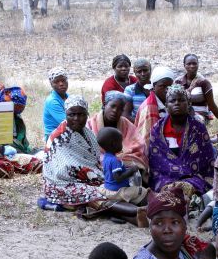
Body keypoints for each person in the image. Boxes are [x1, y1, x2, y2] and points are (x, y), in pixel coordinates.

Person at [42, 95, 147, 227]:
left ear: (87, 114)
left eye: (81, 114)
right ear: (65, 114)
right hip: (61, 183)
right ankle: (132, 213)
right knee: (96, 193)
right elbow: (64, 170)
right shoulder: (59, 137)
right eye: (71, 114)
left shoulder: (88, 133)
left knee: (113, 187)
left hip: (89, 176)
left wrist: (98, 174)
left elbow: (94, 159)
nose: (76, 118)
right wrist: (94, 175)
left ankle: (123, 214)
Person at [147, 84, 213, 199]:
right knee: (168, 189)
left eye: (181, 100)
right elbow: (156, 161)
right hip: (165, 177)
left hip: (194, 177)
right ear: (166, 105)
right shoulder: (157, 129)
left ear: (188, 104)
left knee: (186, 187)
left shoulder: (198, 128)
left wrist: (183, 177)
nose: (177, 103)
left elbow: (206, 161)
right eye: (172, 101)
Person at [86, 90, 148, 174]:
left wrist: (121, 157)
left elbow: (138, 144)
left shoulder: (126, 124)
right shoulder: (90, 124)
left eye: (120, 109)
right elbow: (88, 150)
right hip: (99, 163)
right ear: (104, 104)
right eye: (113, 106)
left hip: (126, 161)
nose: (115, 110)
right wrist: (111, 160)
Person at [96, 127, 148, 205]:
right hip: (117, 191)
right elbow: (118, 178)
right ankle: (145, 208)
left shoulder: (106, 157)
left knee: (134, 193)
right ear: (113, 144)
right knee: (142, 191)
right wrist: (131, 170)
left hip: (108, 187)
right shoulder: (115, 160)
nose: (122, 144)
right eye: (120, 142)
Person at [175, 53, 218, 123]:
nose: (192, 66)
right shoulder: (178, 82)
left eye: (194, 63)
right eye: (189, 64)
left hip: (201, 116)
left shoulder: (204, 83)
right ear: (184, 65)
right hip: (182, 114)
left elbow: (212, 105)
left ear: (198, 64)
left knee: (194, 121)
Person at [134, 66, 175, 142]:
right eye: (163, 86)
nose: (167, 90)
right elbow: (146, 139)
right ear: (154, 87)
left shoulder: (170, 101)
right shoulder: (149, 107)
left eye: (170, 86)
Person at [43, 67, 69, 141]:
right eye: (56, 82)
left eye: (63, 80)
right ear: (51, 84)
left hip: (66, 132)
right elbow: (68, 123)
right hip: (54, 136)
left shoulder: (68, 97)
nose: (61, 84)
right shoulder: (52, 101)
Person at [123, 58, 151, 122]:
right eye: (139, 71)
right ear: (135, 73)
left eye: (145, 70)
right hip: (137, 126)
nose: (143, 74)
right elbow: (125, 115)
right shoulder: (130, 90)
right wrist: (143, 125)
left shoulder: (156, 88)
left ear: (150, 70)